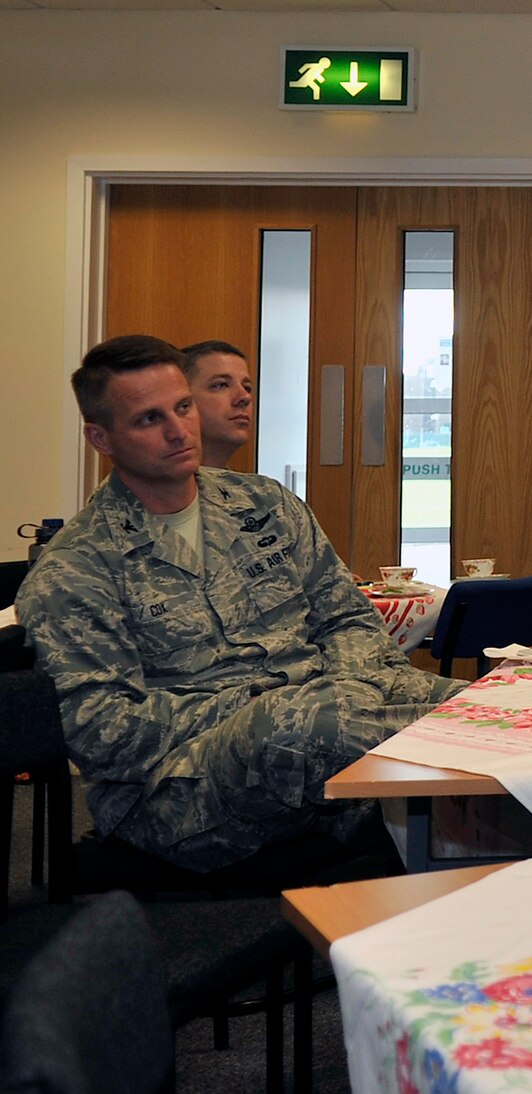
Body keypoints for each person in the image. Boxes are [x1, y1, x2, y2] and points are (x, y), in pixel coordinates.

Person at [17, 334, 465, 872]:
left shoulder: (264, 505)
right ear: (100, 437)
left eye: (183, 407)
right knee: (297, 725)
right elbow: (103, 732)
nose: (178, 430)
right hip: (174, 791)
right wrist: (263, 702)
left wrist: (351, 690)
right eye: (149, 419)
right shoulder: (75, 568)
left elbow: (346, 618)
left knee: (491, 707)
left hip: (331, 718)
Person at [181, 339, 254, 469]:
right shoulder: (153, 480)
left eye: (247, 387)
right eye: (221, 385)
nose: (245, 397)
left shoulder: (251, 483)